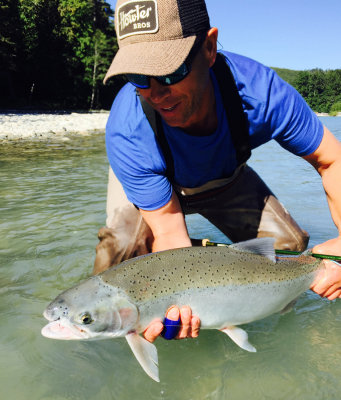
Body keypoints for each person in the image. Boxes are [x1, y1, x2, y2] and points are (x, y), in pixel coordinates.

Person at [95, 0, 341, 342]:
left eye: (170, 71)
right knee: (118, 261)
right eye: (138, 77)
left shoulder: (261, 93)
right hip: (155, 190)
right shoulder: (128, 130)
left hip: (222, 178)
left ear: (209, 48)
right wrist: (176, 302)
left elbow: (332, 161)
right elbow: (168, 229)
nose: (156, 93)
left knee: (286, 249)